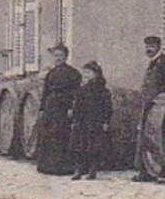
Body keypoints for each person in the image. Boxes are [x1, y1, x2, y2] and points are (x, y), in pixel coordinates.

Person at [133, 35, 165, 181]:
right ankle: (145, 171)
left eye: (152, 46)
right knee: (145, 139)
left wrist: (162, 96)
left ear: (159, 46)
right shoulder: (152, 63)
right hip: (148, 106)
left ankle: (156, 170)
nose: (149, 49)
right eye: (147, 46)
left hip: (158, 108)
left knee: (157, 138)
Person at [35, 43, 80, 176]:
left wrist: (72, 107)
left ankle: (63, 167)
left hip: (64, 106)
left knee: (62, 135)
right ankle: (47, 165)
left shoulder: (73, 73)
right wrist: (42, 108)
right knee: (48, 135)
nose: (58, 58)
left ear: (66, 57)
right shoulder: (51, 73)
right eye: (56, 56)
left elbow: (77, 93)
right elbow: (46, 91)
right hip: (51, 106)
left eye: (61, 55)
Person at [69, 61, 112, 180]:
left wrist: (105, 122)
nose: (86, 75)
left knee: (93, 147)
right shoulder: (82, 90)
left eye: (89, 72)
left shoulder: (102, 91)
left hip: (95, 121)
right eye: (85, 72)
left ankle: (92, 170)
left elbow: (108, 108)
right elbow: (77, 106)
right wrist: (74, 118)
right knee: (78, 146)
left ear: (96, 74)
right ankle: (78, 170)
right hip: (81, 121)